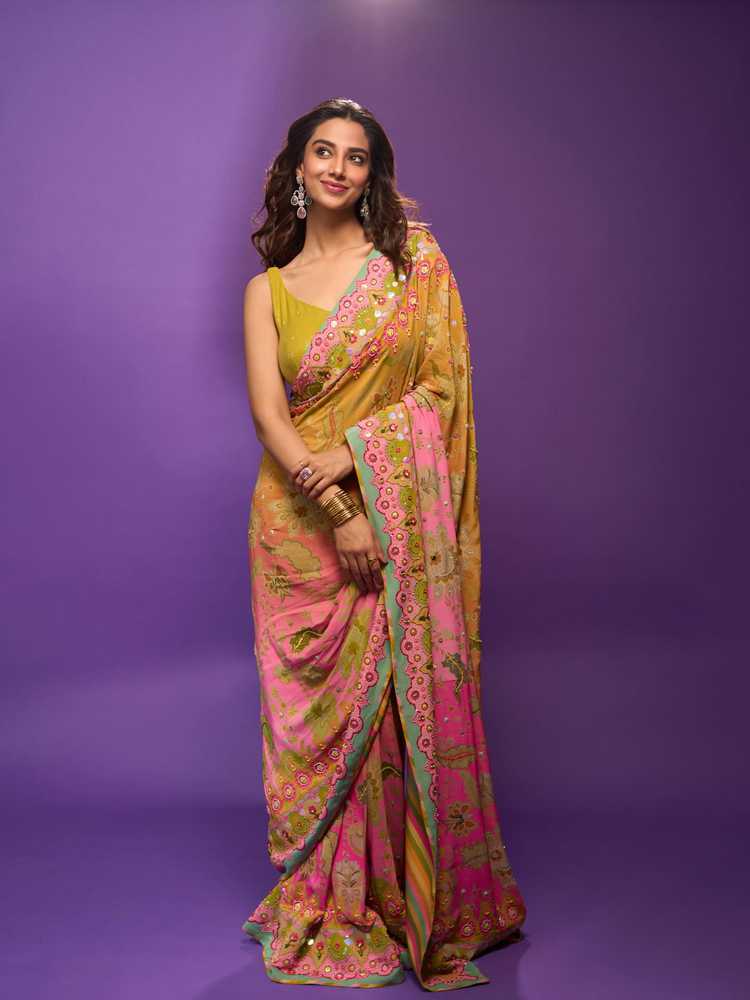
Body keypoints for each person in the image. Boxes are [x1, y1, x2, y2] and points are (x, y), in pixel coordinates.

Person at [240, 97, 527, 990]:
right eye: (322, 152)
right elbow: (269, 417)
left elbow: (442, 393)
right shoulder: (266, 289)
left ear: (372, 174)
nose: (337, 167)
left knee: (394, 711)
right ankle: (330, 893)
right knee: (322, 725)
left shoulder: (411, 266)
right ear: (297, 168)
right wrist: (340, 509)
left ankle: (400, 893)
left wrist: (356, 460)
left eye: (355, 156)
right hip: (298, 527)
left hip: (390, 505)